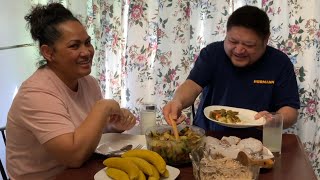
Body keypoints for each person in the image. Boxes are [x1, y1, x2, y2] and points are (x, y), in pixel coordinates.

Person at [6, 3, 136, 180]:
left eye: (87, 42)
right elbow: (74, 156)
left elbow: (85, 135)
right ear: (48, 53)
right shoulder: (36, 94)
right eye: (75, 46)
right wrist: (103, 107)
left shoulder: (88, 82)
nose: (87, 52)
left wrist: (111, 126)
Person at [162, 5, 300, 132]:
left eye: (249, 45)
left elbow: (290, 110)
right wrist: (177, 101)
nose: (239, 50)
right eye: (232, 41)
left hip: (259, 141)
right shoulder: (212, 53)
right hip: (210, 135)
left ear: (266, 40)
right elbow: (192, 85)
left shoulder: (279, 62)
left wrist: (273, 120)